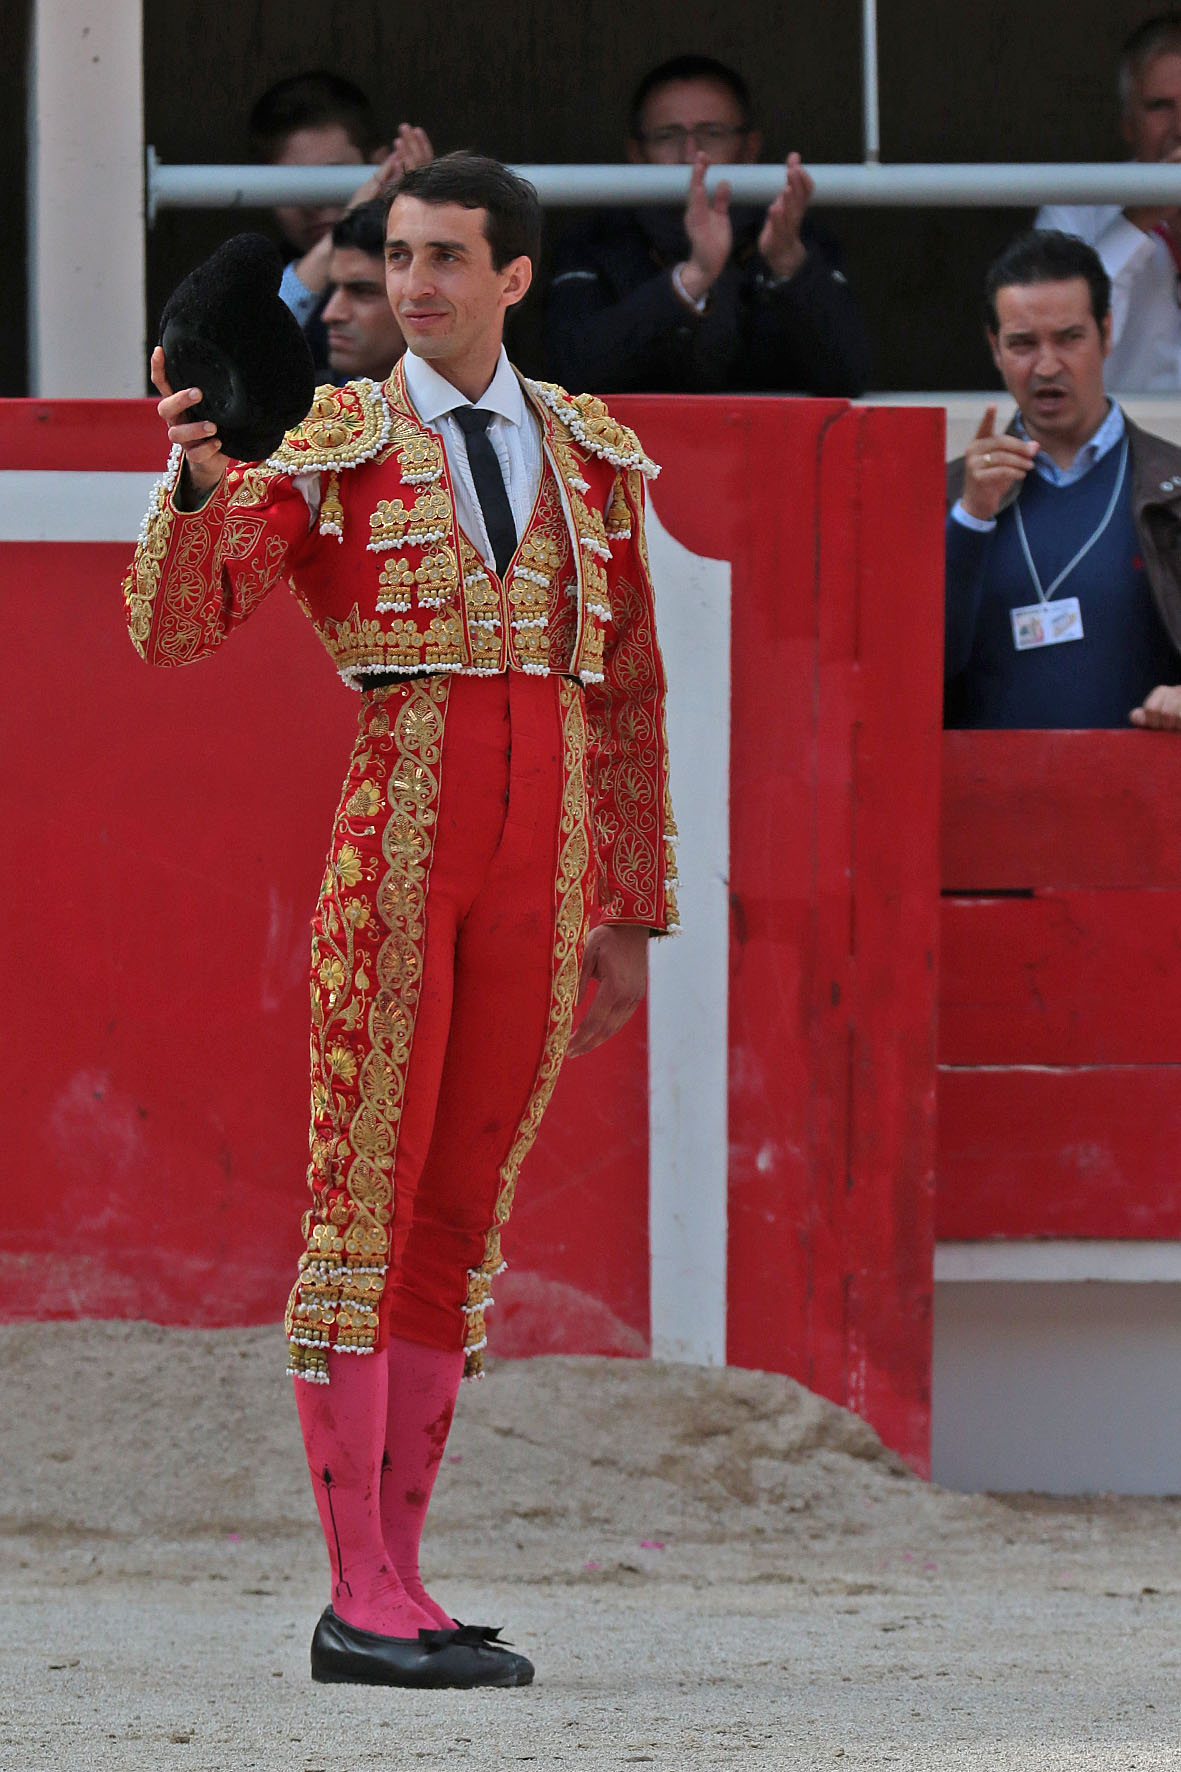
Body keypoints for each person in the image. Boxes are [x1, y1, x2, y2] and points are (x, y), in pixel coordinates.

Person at [122, 152, 677, 1690]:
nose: (412, 286)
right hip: (401, 847)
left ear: (514, 279)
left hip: (543, 866)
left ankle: (404, 1577)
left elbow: (628, 695)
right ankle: (355, 1591)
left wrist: (627, 907)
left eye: (443, 259)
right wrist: (194, 483)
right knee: (361, 1201)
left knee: (459, 1218)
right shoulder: (333, 441)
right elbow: (176, 627)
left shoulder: (589, 455)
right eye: (398, 259)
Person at [945, 230, 1181, 731]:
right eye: (1023, 344)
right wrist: (970, 519)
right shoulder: (949, 495)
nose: (1047, 365)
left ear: (1107, 333)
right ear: (994, 348)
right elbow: (906, 670)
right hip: (986, 781)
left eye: (1069, 338)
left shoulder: (1173, 487)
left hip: (1144, 779)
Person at [543, 53, 870, 395]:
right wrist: (689, 281)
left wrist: (789, 264)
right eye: (667, 135)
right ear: (636, 152)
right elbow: (566, 377)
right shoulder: (595, 241)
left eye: (712, 133)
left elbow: (848, 377)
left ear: (749, 148)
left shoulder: (792, 234)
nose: (690, 154)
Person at [248, 71, 432, 370]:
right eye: (289, 185)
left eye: (330, 177)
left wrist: (428, 215)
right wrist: (345, 226)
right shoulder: (257, 274)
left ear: (382, 166)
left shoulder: (413, 260)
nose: (314, 203)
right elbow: (245, 352)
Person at [1035, 14, 1181, 390]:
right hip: (1116, 428)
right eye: (1160, 106)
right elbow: (1054, 357)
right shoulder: (1075, 205)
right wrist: (1137, 222)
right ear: (1128, 125)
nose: (1180, 128)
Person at [322, 199, 406, 381]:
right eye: (332, 290)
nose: (331, 314)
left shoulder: (466, 397)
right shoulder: (318, 396)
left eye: (362, 292)